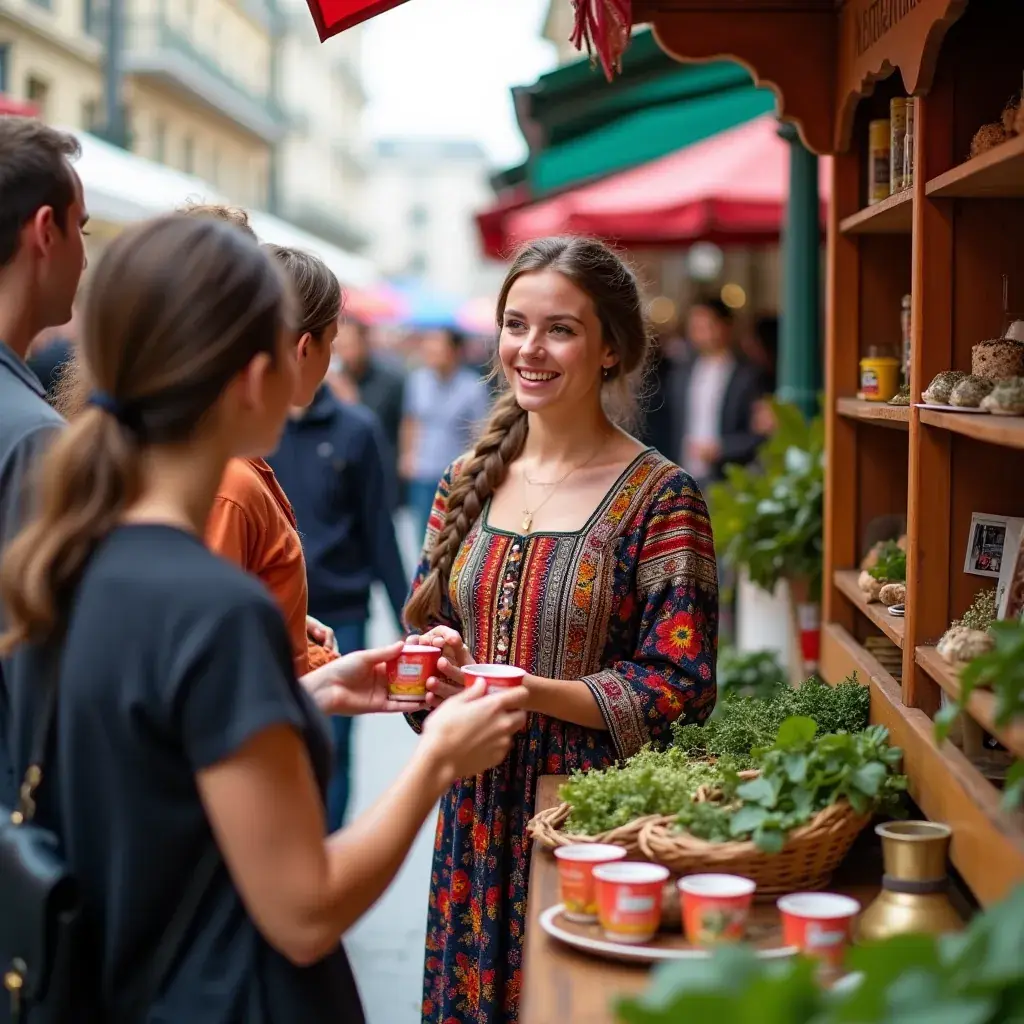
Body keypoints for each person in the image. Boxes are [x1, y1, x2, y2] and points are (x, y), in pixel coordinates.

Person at [0, 215, 529, 1023]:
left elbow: (156, 761)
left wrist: (311, 695)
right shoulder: (214, 606)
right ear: (251, 375)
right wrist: (439, 763)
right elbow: (305, 909)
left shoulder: (63, 558)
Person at [402, 237, 719, 1023]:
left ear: (612, 348)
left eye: (560, 330)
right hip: (472, 821)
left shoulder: (661, 499)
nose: (529, 350)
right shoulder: (465, 481)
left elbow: (681, 686)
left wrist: (523, 690)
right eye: (516, 325)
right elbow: (426, 651)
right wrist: (436, 669)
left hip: (590, 823)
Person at [269, 376, 408, 829]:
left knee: (333, 744)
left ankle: (327, 854)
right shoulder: (256, 428)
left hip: (341, 611)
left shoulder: (356, 429)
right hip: (272, 613)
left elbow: (379, 531)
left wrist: (407, 622)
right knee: (276, 739)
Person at [0, 117, 88, 805]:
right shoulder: (34, 439)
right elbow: (40, 682)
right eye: (81, 228)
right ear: (44, 233)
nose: (85, 256)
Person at [400, 326, 491, 543]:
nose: (430, 351)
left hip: (456, 473)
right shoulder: (417, 380)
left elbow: (480, 431)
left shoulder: (473, 387)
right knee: (422, 535)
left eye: (437, 346)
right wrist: (407, 455)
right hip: (422, 470)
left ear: (455, 351)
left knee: (452, 534)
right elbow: (411, 419)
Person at [670, 298, 766, 490]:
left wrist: (722, 448)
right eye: (695, 326)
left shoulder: (748, 376)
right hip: (683, 476)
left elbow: (759, 433)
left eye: (707, 325)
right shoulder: (682, 372)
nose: (699, 333)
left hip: (728, 477)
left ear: (725, 326)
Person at [328, 317, 405, 496]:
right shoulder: (330, 382)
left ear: (365, 342)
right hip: (340, 476)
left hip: (381, 474)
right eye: (339, 347)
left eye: (349, 346)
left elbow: (399, 428)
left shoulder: (391, 382)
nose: (345, 354)